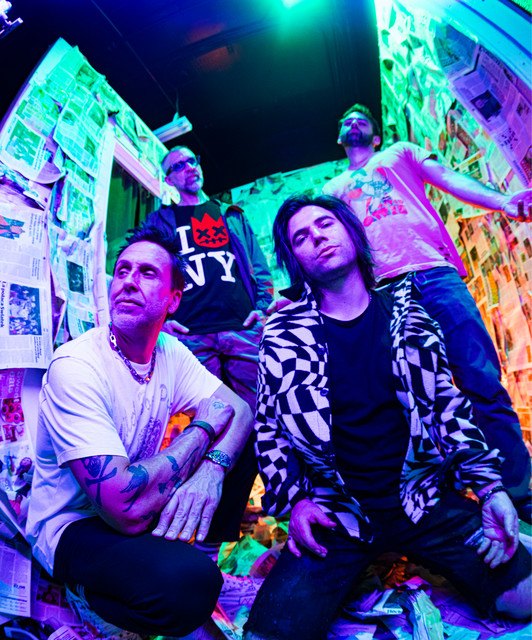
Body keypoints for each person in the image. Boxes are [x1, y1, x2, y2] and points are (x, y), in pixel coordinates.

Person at [243, 195, 531, 640]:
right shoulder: (282, 333)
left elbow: (447, 406)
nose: (316, 236)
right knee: (268, 636)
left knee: (525, 597)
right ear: (295, 260)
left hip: (424, 501)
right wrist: (296, 502)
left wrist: (491, 489)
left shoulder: (407, 311)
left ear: (352, 232)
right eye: (301, 237)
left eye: (325, 224)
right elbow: (269, 429)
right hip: (336, 516)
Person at [26, 226, 254, 638]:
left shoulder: (170, 351)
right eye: (122, 270)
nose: (129, 281)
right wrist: (201, 430)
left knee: (240, 443)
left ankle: (195, 554)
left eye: (148, 273)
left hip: (140, 501)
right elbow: (125, 512)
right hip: (74, 524)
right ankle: (86, 594)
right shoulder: (76, 366)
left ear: (173, 299)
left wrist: (211, 471)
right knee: (188, 586)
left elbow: (239, 409)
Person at [321, 104, 532, 520]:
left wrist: (504, 202)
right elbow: (331, 248)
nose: (352, 122)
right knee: (414, 399)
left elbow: (449, 178)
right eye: (345, 120)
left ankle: (519, 494)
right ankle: (453, 502)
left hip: (435, 272)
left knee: (480, 379)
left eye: (362, 119)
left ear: (376, 136)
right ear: (340, 137)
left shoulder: (399, 152)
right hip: (381, 292)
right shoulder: (332, 189)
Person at [143, 146, 273, 553]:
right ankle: (199, 538)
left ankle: (240, 523)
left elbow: (259, 266)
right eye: (177, 166)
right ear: (168, 179)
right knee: (207, 428)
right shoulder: (161, 221)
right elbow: (151, 270)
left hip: (242, 329)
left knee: (256, 423)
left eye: (192, 161)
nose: (188, 169)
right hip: (192, 336)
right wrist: (161, 319)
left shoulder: (230, 214)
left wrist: (263, 308)